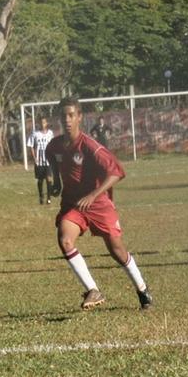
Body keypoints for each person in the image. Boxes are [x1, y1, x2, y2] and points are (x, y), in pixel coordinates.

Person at [48, 96, 152, 311]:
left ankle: (142, 290)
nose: (66, 120)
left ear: (79, 117)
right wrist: (56, 183)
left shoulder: (90, 146)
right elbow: (53, 161)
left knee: (117, 251)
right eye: (63, 116)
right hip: (73, 204)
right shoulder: (54, 146)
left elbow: (117, 172)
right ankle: (93, 290)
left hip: (99, 204)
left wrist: (93, 195)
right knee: (65, 240)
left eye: (71, 115)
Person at [28, 116, 56, 204]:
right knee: (40, 180)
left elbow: (53, 145)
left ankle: (49, 198)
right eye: (40, 122)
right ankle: (41, 196)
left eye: (44, 122)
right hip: (39, 161)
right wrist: (34, 157)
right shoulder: (35, 133)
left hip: (48, 161)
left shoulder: (50, 133)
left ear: (46, 123)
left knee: (49, 179)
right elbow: (31, 146)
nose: (42, 124)